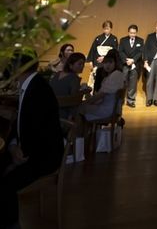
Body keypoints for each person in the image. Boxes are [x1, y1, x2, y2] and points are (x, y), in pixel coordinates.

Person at [0, 52, 64, 229]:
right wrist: (13, 146)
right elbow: (20, 125)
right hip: (29, 148)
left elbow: (38, 134)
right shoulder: (29, 85)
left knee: (5, 184)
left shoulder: (39, 91)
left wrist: (17, 157)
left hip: (43, 156)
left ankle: (12, 225)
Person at [78, 49, 125, 122]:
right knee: (81, 106)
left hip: (107, 110)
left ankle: (78, 129)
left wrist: (86, 101)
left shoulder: (116, 75)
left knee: (78, 108)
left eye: (110, 62)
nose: (107, 65)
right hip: (110, 108)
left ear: (115, 63)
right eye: (105, 62)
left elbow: (100, 96)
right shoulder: (112, 76)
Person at [50, 52, 88, 120]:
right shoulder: (74, 78)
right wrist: (85, 91)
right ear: (70, 65)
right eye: (79, 64)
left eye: (83, 64)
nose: (82, 66)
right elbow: (74, 99)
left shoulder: (57, 74)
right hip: (63, 114)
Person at [118, 24, 144, 108]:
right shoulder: (123, 40)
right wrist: (127, 60)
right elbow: (120, 51)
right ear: (128, 32)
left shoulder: (140, 40)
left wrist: (133, 60)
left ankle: (131, 100)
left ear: (136, 33)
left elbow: (140, 52)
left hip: (135, 64)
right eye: (131, 33)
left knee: (133, 83)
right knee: (123, 82)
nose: (132, 34)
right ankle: (120, 99)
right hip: (125, 64)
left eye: (134, 33)